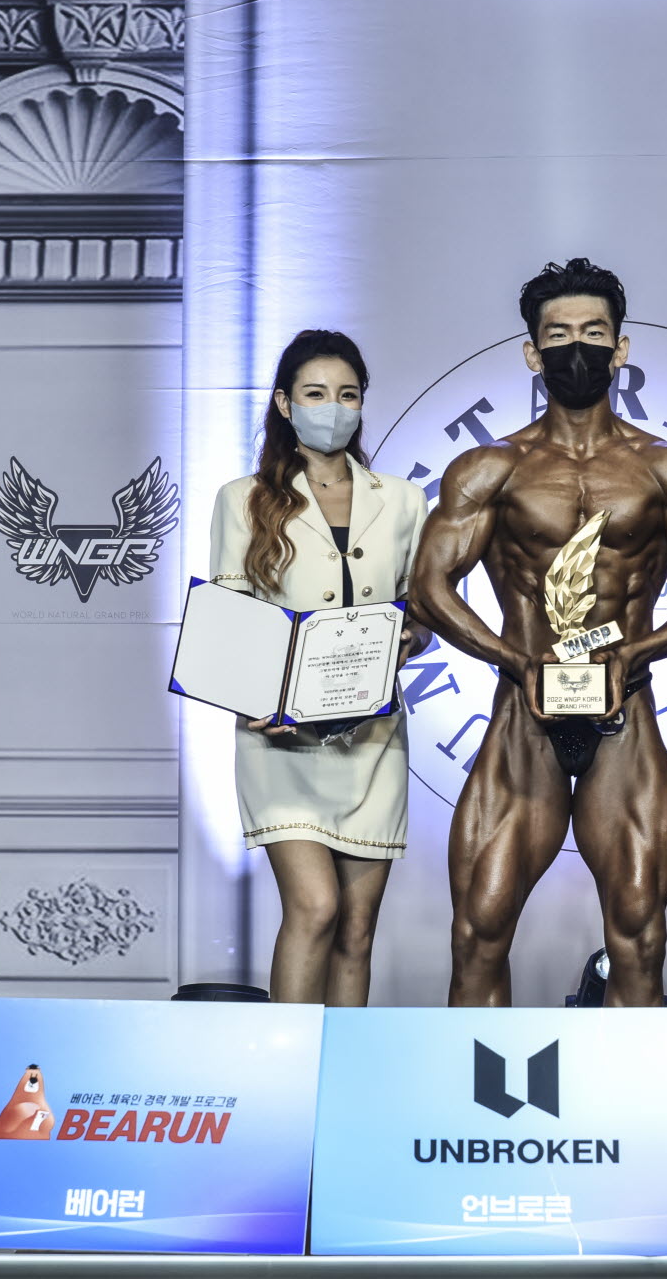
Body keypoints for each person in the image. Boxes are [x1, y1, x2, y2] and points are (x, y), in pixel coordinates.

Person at [410, 258, 667, 1007]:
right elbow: (429, 585)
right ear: (533, 353)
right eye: (558, 335)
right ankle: (477, 1085)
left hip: (625, 710)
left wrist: (637, 652)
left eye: (594, 332)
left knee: (639, 929)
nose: (577, 347)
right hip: (521, 712)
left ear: (620, 349)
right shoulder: (489, 468)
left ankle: (627, 1085)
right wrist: (513, 658)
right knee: (478, 929)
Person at [208, 329, 429, 1005]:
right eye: (315, 393)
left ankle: (342, 1066)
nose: (332, 407)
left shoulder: (404, 499)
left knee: (357, 930)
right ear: (284, 403)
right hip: (280, 741)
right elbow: (227, 619)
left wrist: (408, 638)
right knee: (314, 907)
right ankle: (292, 1060)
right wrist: (257, 697)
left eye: (347, 394)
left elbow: (422, 610)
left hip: (372, 740)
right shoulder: (242, 498)